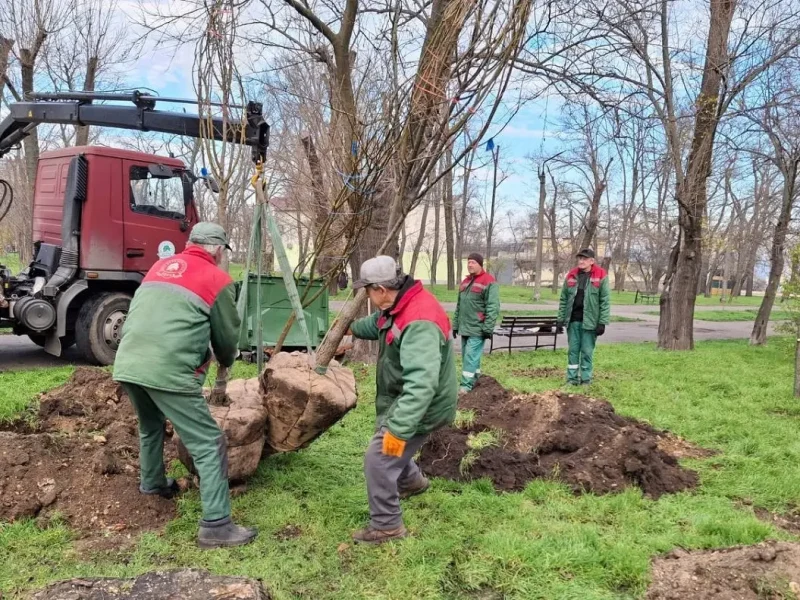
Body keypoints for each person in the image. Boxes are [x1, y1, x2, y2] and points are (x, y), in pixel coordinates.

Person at [113, 222, 257, 549]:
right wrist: (224, 363)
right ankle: (217, 525)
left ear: (190, 243)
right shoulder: (218, 279)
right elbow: (225, 339)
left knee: (150, 426)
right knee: (208, 442)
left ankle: (152, 484)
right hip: (167, 369)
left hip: (129, 362)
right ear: (219, 251)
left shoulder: (160, 266)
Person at [348, 255, 457, 545]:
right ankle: (412, 483)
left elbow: (422, 387)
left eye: (368, 290)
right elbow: (378, 324)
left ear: (381, 290)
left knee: (380, 458)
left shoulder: (419, 320)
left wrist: (397, 430)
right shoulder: (399, 304)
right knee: (390, 447)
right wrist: (349, 328)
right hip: (406, 402)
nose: (367, 296)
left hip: (422, 408)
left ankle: (387, 526)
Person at [557, 248, 610, 385]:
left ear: (592, 261)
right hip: (573, 321)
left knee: (586, 352)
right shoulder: (571, 275)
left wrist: (602, 322)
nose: (581, 261)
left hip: (590, 322)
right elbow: (563, 299)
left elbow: (605, 301)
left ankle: (586, 379)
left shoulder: (601, 275)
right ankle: (571, 379)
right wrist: (560, 319)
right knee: (573, 351)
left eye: (584, 259)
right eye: (579, 258)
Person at [452, 253, 500, 394]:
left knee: (470, 356)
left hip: (478, 327)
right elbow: (459, 306)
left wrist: (488, 328)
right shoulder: (465, 282)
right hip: (464, 327)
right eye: (468, 262)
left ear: (480, 264)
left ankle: (465, 386)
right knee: (469, 356)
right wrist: (455, 325)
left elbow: (493, 307)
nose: (470, 265)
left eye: (473, 262)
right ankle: (476, 379)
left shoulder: (489, 282)